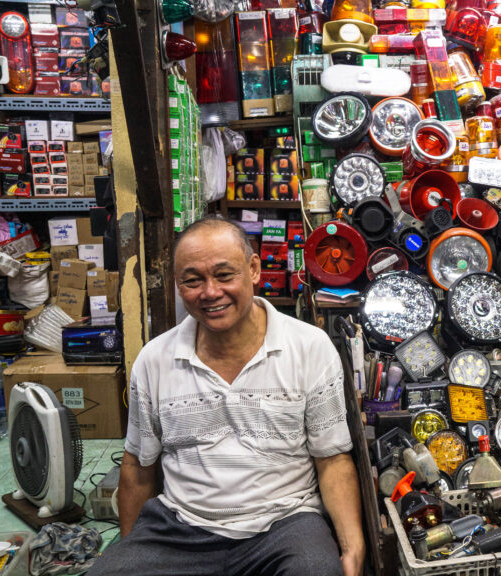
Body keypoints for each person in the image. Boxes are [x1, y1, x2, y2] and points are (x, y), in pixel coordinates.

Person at [88, 218, 364, 576]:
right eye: (192, 280)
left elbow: (333, 460)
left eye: (223, 275)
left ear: (253, 270)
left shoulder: (309, 348)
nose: (210, 292)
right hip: (180, 528)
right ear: (178, 284)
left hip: (285, 525)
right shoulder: (154, 361)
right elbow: (138, 469)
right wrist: (131, 551)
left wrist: (353, 548)